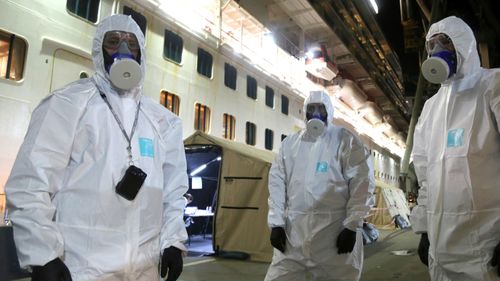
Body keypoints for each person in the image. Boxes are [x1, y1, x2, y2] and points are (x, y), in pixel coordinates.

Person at [5, 14, 188, 281]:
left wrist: (173, 240)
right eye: (113, 41)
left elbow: (174, 192)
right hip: (81, 269)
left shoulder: (163, 122)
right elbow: (30, 183)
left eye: (131, 44)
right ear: (98, 49)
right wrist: (43, 256)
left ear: (141, 54)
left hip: (145, 270)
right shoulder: (67, 105)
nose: (123, 50)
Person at [411, 16, 500, 280]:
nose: (437, 50)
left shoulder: (492, 86)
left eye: (445, 42)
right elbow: (425, 176)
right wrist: (424, 230)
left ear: (464, 45)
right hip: (441, 251)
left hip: (486, 246)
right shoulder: (430, 108)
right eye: (431, 45)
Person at [265, 91, 375, 281]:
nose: (316, 114)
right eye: (311, 108)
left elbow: (362, 182)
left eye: (321, 108)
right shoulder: (289, 145)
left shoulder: (345, 140)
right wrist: (276, 223)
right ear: (305, 112)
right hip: (294, 236)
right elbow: (276, 183)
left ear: (329, 112)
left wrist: (352, 225)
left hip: (334, 235)